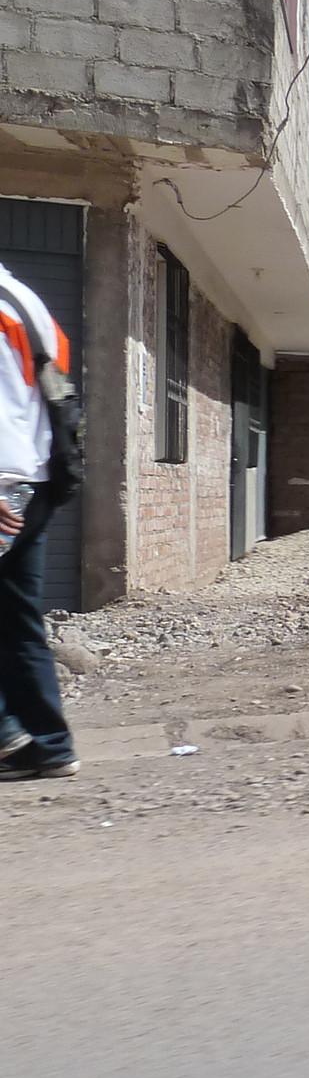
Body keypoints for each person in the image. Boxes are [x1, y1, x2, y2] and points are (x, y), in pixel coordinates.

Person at [0, 262, 79, 780]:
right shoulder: (25, 300)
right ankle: (49, 746)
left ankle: (8, 734)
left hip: (6, 484)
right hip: (36, 481)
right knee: (19, 622)